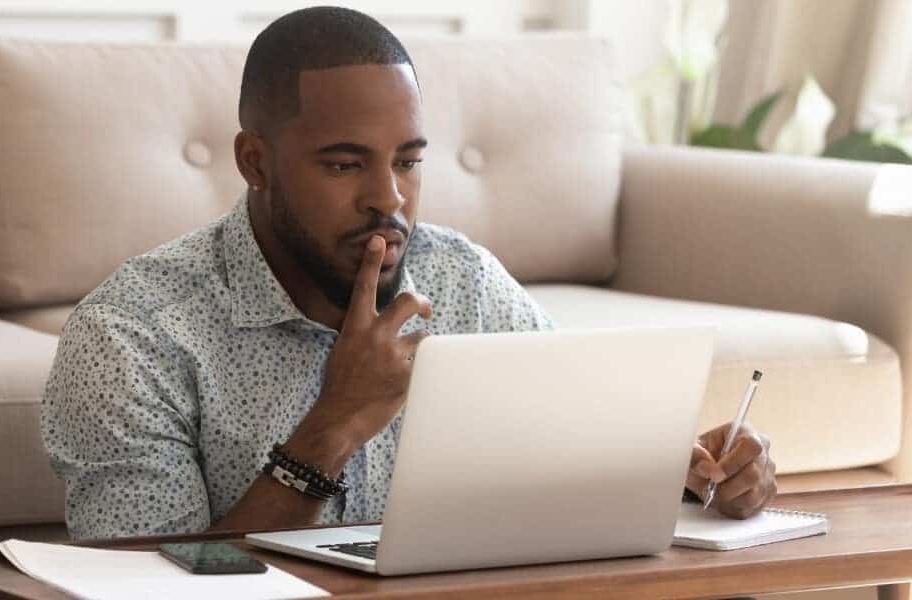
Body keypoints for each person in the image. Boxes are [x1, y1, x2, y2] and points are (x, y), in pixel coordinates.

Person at [41, 6, 776, 541]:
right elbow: (144, 584)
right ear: (255, 162)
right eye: (344, 163)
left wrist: (690, 475)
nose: (388, 199)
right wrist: (333, 426)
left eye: (409, 160)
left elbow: (580, 452)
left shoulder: (464, 283)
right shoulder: (132, 337)